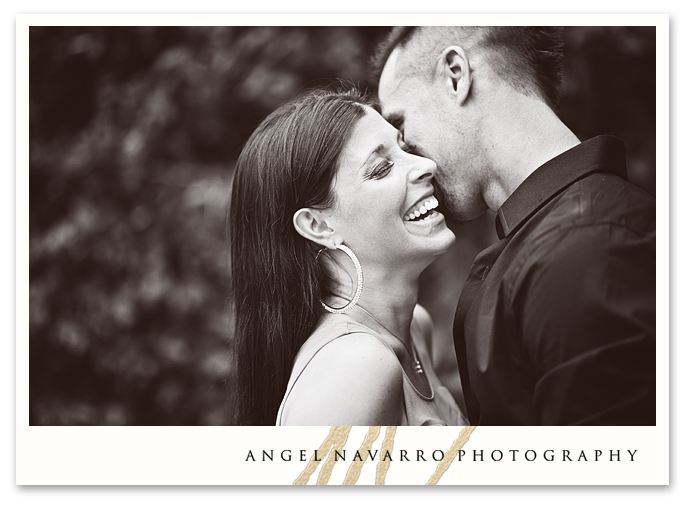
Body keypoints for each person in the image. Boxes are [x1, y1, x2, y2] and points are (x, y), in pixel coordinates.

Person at [371, 27, 656, 425]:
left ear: (456, 75)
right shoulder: (561, 240)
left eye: (400, 126)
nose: (408, 158)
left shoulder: (587, 251)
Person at [228, 87, 468, 426]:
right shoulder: (355, 366)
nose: (426, 165)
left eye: (405, 147)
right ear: (317, 225)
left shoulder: (415, 328)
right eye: (382, 168)